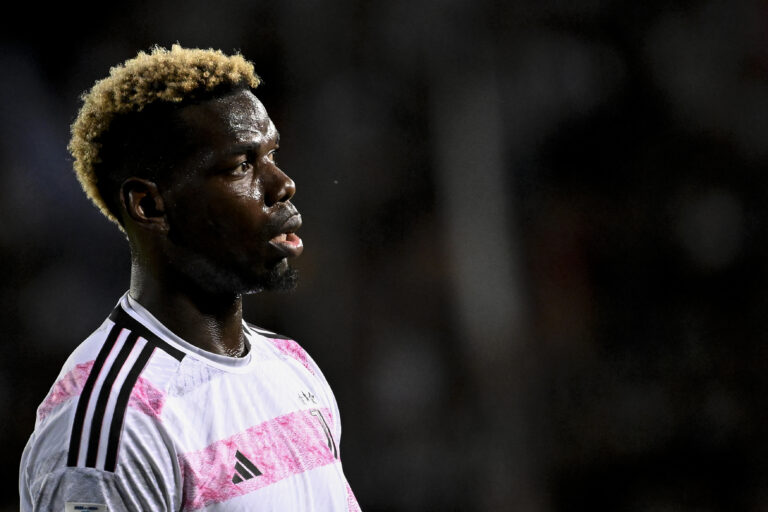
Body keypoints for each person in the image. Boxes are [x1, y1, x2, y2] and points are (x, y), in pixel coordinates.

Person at [19, 45, 361, 512]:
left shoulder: (292, 367)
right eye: (240, 165)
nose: (282, 185)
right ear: (150, 205)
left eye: (271, 154)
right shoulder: (114, 426)